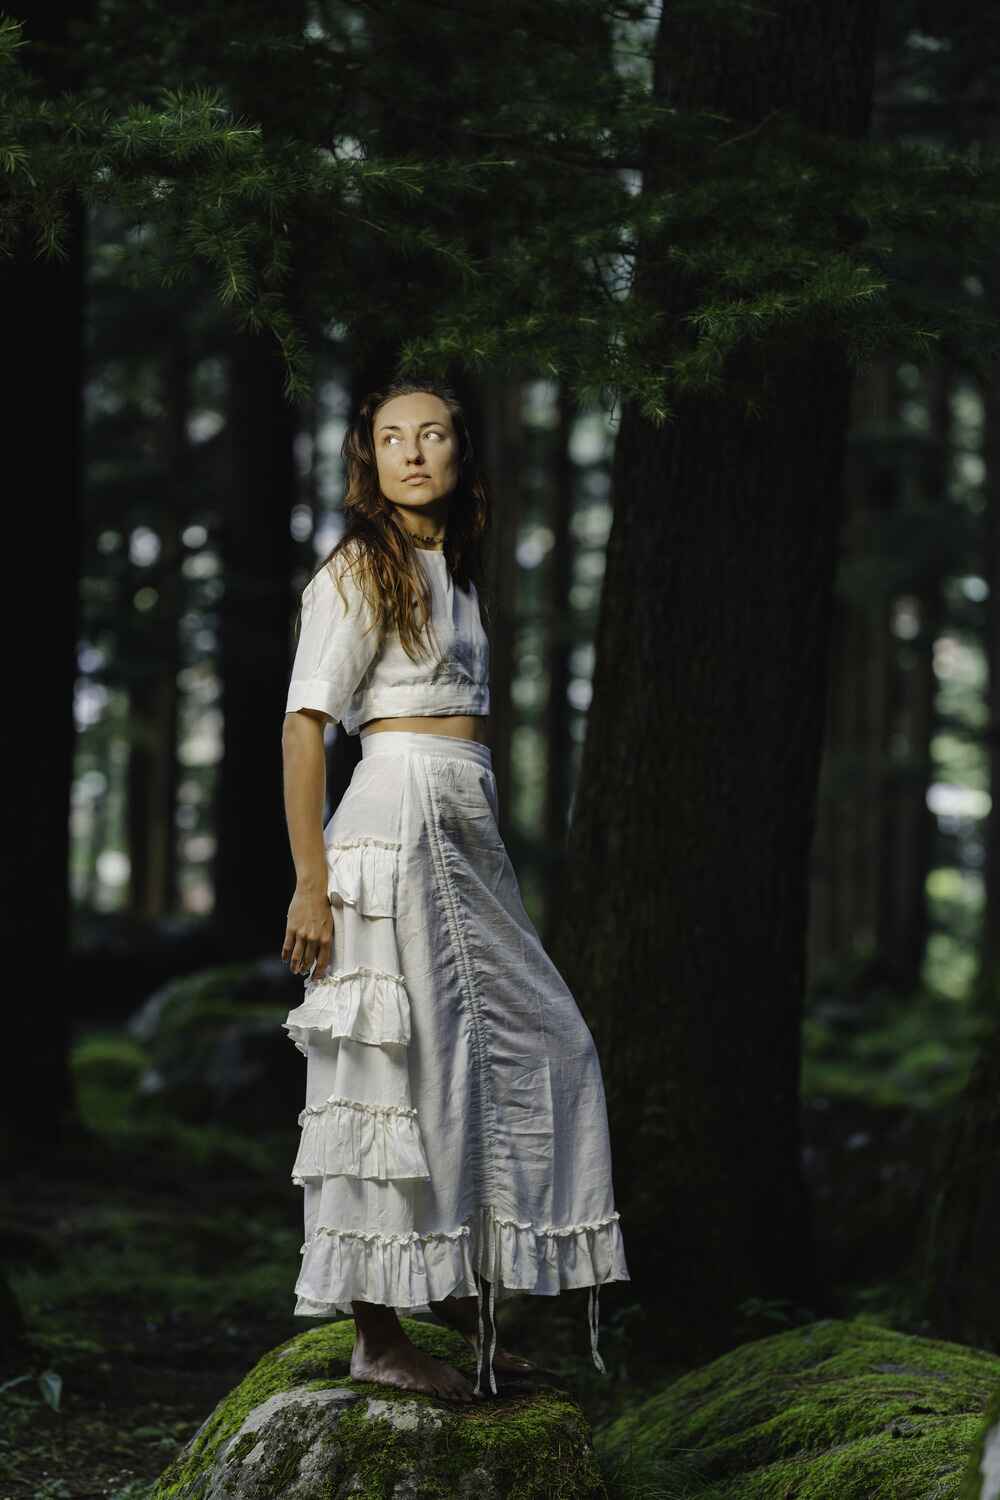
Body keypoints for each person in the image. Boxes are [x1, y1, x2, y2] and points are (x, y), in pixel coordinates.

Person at [280, 377, 629, 1402]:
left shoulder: (454, 571)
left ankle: (468, 1303)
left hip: (464, 834)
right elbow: (306, 726)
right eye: (392, 438)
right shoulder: (356, 571)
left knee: (517, 1048)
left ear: (461, 455)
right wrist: (310, 879)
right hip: (392, 830)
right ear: (370, 459)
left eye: (431, 435)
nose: (413, 452)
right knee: (391, 1075)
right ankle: (378, 1334)